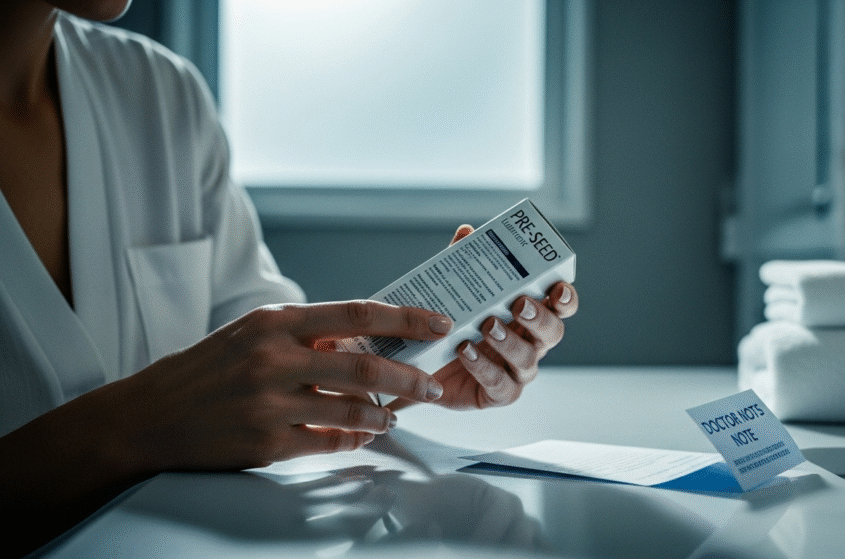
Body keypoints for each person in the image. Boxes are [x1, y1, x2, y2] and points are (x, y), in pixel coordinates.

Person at [0, 1, 579, 555]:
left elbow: (269, 380)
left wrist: (403, 370)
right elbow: (189, 405)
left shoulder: (160, 91)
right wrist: (141, 424)